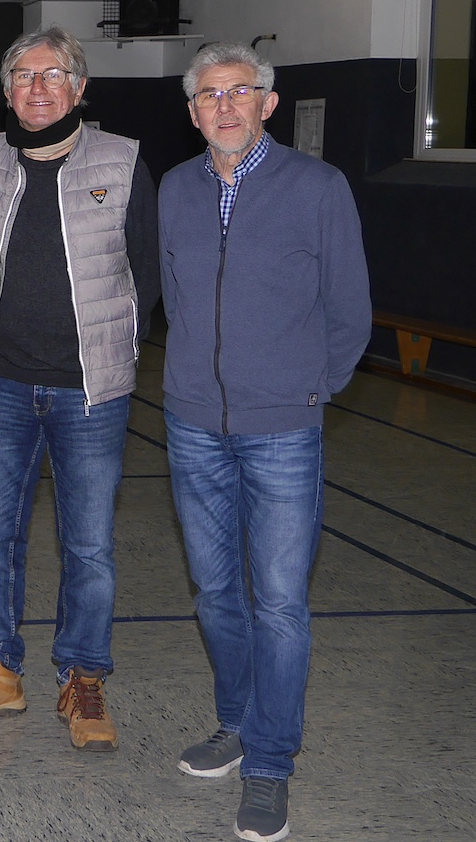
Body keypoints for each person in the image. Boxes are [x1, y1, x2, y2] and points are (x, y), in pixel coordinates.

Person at [161, 41, 370, 842]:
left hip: (283, 428)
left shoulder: (318, 188)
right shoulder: (176, 188)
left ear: (267, 104)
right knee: (216, 592)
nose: (225, 106)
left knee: (279, 603)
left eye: (239, 91)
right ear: (193, 111)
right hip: (193, 425)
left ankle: (271, 763)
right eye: (209, 95)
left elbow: (349, 309)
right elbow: (176, 297)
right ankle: (238, 723)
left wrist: (308, 389)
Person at [0, 26, 159, 753]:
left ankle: (83, 676)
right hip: (0, 384)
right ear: (7, 91)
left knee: (89, 547)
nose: (38, 88)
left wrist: (118, 350)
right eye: (24, 76)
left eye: (53, 75)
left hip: (89, 393)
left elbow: (146, 271)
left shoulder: (122, 161)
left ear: (79, 87)